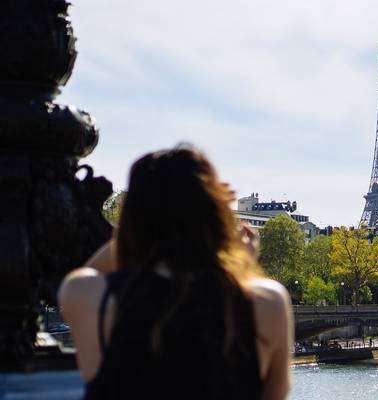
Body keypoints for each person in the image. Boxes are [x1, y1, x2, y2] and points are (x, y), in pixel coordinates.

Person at [59, 145, 292, 399]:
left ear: (133, 219)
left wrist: (153, 218)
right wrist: (234, 260)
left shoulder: (90, 297)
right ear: (215, 217)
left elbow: (94, 272)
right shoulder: (267, 303)